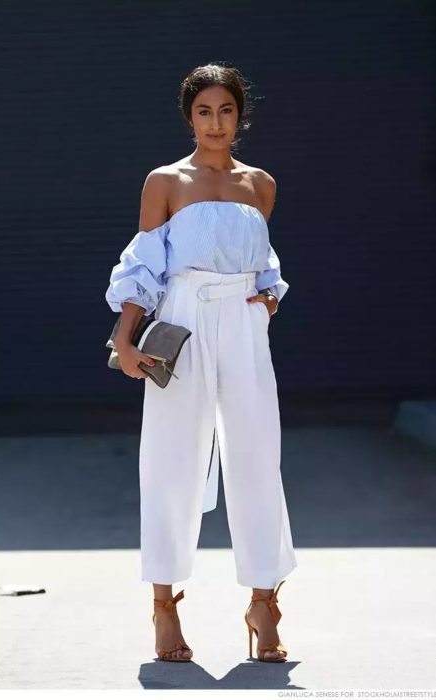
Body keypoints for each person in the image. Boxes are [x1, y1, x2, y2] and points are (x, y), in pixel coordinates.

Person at [105, 63, 297, 663]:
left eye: (227, 111)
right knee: (169, 458)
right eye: (204, 111)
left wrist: (268, 298)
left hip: (243, 323)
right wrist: (124, 339)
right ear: (190, 117)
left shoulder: (259, 184)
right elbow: (144, 267)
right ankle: (165, 606)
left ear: (240, 117)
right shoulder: (164, 181)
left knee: (258, 456)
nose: (216, 122)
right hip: (182, 317)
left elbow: (266, 262)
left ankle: (264, 604)